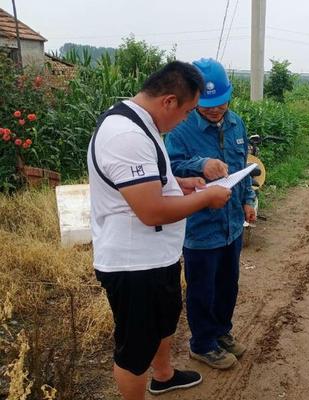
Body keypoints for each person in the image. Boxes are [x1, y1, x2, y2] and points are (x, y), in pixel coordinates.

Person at [87, 61, 232, 400]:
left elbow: (144, 184)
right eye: (187, 111)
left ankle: (164, 376)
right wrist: (206, 197)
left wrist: (176, 183)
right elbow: (151, 209)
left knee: (164, 323)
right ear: (169, 101)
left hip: (157, 258)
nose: (185, 120)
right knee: (135, 350)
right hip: (133, 264)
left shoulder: (142, 123)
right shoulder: (125, 135)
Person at [165, 58, 256, 370]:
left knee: (228, 284)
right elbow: (169, 169)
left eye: (221, 103)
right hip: (201, 225)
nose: (216, 110)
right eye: (208, 105)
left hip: (231, 223)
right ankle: (202, 343)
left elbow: (243, 167)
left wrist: (248, 199)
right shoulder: (180, 128)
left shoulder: (236, 124)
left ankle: (221, 332)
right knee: (202, 288)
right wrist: (200, 164)